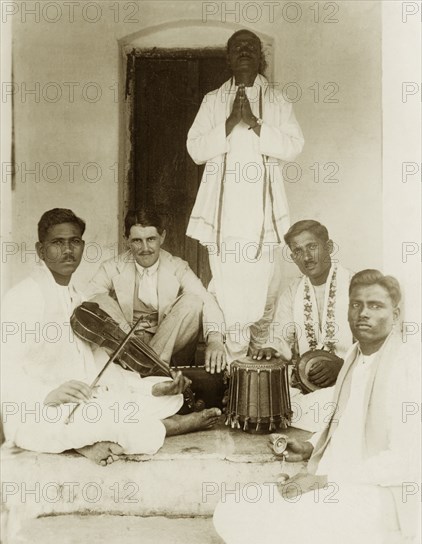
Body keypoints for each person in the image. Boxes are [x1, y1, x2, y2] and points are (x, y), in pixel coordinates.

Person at [214, 270, 420, 544]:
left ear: (395, 315)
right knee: (232, 507)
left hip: (381, 495)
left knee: (295, 519)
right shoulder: (354, 355)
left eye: (375, 306)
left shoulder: (407, 366)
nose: (363, 313)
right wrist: (310, 446)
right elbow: (344, 420)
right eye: (356, 304)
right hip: (338, 484)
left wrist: (323, 480)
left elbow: (405, 463)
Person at [1, 209, 221, 467]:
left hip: (87, 397)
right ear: (41, 250)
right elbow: (6, 371)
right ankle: (167, 427)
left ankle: (94, 439)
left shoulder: (78, 299)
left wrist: (150, 387)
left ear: (82, 246)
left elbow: (100, 366)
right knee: (58, 422)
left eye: (74, 242)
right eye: (57, 243)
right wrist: (49, 394)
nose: (68, 250)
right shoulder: (23, 298)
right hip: (42, 405)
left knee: (160, 398)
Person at [186, 29, 305, 362]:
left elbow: (294, 146)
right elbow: (195, 148)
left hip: (262, 212)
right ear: (227, 57)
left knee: (266, 290)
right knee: (228, 291)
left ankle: (259, 370)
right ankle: (235, 369)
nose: (243, 51)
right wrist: (229, 122)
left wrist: (253, 122)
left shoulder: (279, 101)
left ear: (259, 56)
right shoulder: (212, 101)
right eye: (236, 47)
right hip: (225, 215)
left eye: (250, 47)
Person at [86, 207, 226, 374]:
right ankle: (144, 364)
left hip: (167, 342)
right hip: (126, 341)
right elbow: (89, 299)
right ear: (127, 240)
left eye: (151, 239)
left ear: (162, 237)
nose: (145, 248)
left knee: (194, 302)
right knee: (98, 299)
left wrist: (216, 339)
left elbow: (207, 300)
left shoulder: (177, 267)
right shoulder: (112, 267)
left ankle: (145, 365)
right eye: (137, 241)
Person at [250, 220, 353, 431]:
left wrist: (343, 367)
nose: (306, 257)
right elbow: (280, 339)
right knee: (262, 398)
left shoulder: (354, 285)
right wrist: (271, 350)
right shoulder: (293, 291)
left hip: (348, 379)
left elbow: (374, 349)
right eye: (297, 251)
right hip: (308, 383)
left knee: (344, 402)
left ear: (329, 247)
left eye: (312, 247)